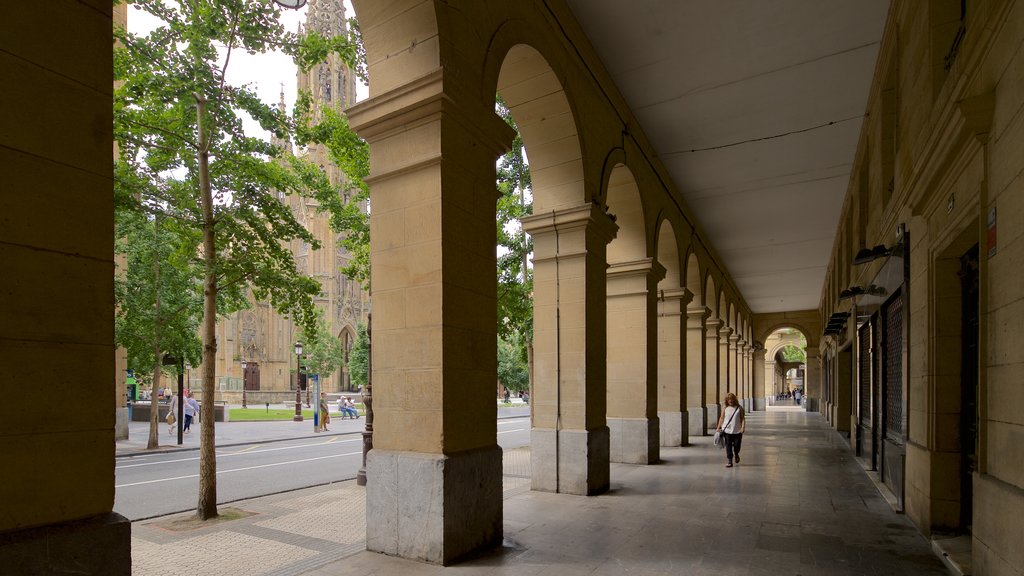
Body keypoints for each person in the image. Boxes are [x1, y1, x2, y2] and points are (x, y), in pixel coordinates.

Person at [716, 392, 745, 468]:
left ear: (734, 399)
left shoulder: (739, 408)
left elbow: (742, 419)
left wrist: (742, 427)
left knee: (737, 445)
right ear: (727, 400)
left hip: (737, 430)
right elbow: (721, 418)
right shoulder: (725, 408)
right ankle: (729, 460)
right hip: (727, 430)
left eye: (732, 399)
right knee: (728, 446)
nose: (730, 401)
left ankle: (736, 454)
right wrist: (718, 427)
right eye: (729, 399)